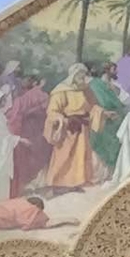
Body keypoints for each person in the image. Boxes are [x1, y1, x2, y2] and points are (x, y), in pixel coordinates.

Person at [43, 63, 104, 192]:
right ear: (73, 75)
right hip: (67, 127)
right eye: (80, 74)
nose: (83, 77)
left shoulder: (86, 90)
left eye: (84, 74)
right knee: (64, 154)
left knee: (81, 155)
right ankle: (58, 182)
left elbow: (93, 106)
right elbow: (52, 111)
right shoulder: (61, 90)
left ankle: (78, 181)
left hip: (82, 126)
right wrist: (64, 120)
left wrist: (103, 113)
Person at [6, 76, 51, 198]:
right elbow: (47, 110)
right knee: (40, 154)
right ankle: (40, 183)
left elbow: (14, 115)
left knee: (30, 155)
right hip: (39, 128)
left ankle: (30, 184)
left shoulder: (21, 98)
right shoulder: (42, 95)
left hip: (27, 129)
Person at [88, 64, 130, 179]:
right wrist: (105, 112)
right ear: (105, 72)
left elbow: (126, 100)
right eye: (113, 70)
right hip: (103, 120)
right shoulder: (94, 85)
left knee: (116, 145)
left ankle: (114, 172)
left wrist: (115, 91)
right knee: (104, 146)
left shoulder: (113, 85)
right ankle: (105, 174)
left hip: (117, 120)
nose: (116, 72)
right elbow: (96, 103)